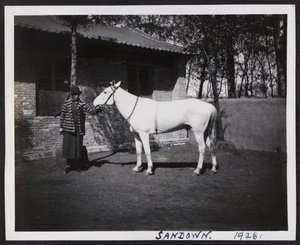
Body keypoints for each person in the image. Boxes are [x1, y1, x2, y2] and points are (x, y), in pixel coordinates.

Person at [60, 86, 103, 174]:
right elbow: (62, 116)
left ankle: (76, 165)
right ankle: (68, 166)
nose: (76, 96)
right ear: (71, 95)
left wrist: (98, 109)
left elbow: (91, 111)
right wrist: (61, 127)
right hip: (68, 129)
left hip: (79, 129)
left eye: (77, 95)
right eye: (74, 95)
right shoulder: (66, 104)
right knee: (69, 147)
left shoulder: (83, 104)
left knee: (77, 148)